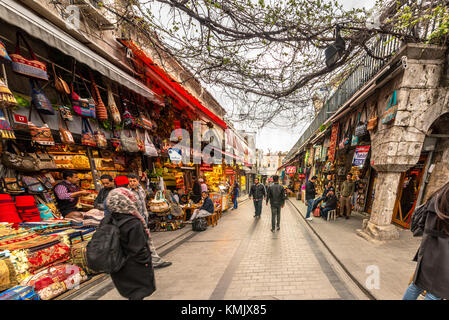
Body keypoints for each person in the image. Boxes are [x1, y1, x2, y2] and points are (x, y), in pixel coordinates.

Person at [105, 188, 156, 300]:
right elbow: (138, 248)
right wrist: (146, 262)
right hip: (134, 266)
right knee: (137, 294)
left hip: (117, 265)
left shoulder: (107, 220)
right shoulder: (133, 222)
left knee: (131, 294)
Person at [403, 181, 449, 300]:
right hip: (445, 255)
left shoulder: (436, 196)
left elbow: (421, 223)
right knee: (435, 294)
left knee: (416, 285)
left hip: (427, 249)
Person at [127, 174, 172, 269]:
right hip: (135, 221)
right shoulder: (128, 193)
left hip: (143, 219)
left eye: (134, 181)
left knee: (145, 242)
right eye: (130, 181)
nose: (132, 183)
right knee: (145, 242)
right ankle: (154, 262)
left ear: (138, 181)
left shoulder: (140, 190)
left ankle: (148, 262)